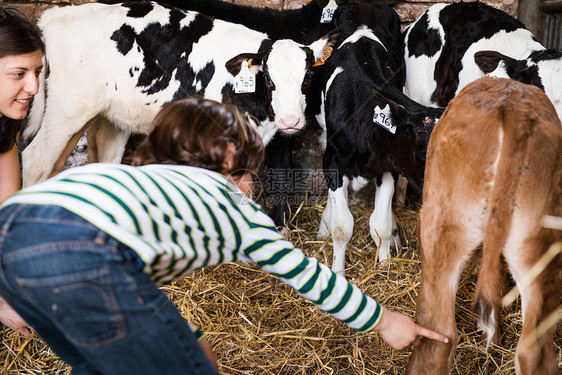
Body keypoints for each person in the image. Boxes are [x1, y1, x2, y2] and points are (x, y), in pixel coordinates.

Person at [0, 97, 448, 374]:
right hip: (82, 253)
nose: (252, 186)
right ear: (234, 165)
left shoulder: (138, 186)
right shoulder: (232, 205)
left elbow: (132, 296)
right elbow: (308, 274)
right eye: (251, 174)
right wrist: (384, 320)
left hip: (13, 236)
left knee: (101, 362)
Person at [0, 6, 44, 337]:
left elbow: (7, 212)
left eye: (37, 72)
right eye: (19, 74)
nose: (33, 87)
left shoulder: (5, 125)